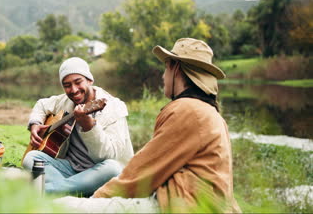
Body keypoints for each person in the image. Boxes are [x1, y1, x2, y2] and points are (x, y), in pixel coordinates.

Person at [87, 38, 241, 212]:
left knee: (67, 206)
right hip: (205, 205)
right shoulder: (210, 112)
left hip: (185, 205)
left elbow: (141, 172)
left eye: (166, 67)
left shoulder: (187, 109)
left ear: (176, 68)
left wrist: (96, 199)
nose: (163, 76)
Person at [22, 57, 134, 196]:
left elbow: (107, 156)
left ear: (90, 80)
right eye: (67, 85)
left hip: (100, 172)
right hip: (70, 168)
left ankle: (48, 191)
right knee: (32, 157)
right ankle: (73, 191)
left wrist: (89, 127)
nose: (73, 90)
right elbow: (42, 104)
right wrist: (35, 124)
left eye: (78, 82)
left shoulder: (114, 108)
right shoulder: (64, 101)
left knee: (113, 168)